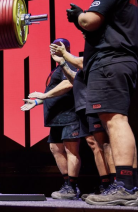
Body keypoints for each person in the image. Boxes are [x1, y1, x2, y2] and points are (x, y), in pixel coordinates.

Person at [66, 1, 138, 205]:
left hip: (108, 62)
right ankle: (130, 185)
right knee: (117, 121)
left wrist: (79, 16)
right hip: (120, 62)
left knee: (115, 120)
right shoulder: (131, 7)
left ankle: (124, 186)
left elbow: (89, 21)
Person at [49, 41, 114, 200]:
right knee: (94, 145)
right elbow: (73, 78)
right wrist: (63, 61)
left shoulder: (91, 57)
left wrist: (64, 56)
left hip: (92, 103)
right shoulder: (72, 63)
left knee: (102, 144)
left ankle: (114, 184)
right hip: (82, 106)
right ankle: (105, 186)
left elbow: (73, 74)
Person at [21, 38, 82, 200]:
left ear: (65, 48)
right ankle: (67, 184)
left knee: (71, 150)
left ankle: (72, 187)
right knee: (55, 149)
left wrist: (44, 95)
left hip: (70, 114)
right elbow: (55, 91)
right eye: (51, 47)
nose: (53, 50)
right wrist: (36, 101)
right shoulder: (57, 67)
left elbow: (69, 84)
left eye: (57, 47)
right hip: (57, 116)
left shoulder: (69, 63)